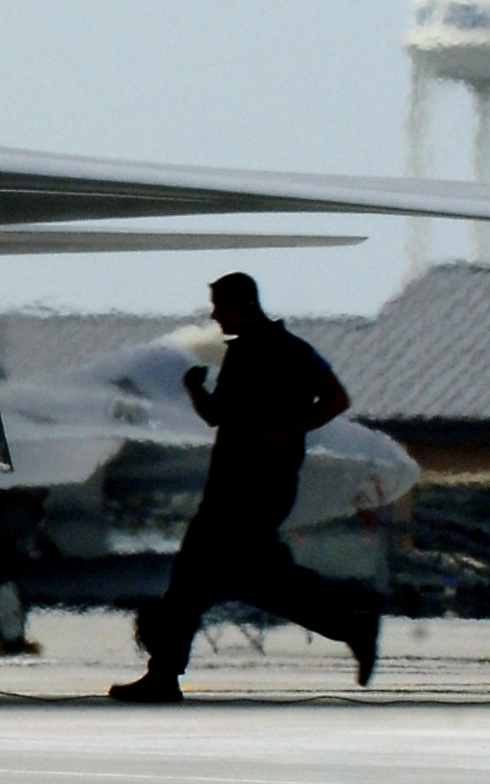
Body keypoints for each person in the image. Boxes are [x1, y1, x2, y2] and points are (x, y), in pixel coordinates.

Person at [109, 272, 382, 702]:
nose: (214, 315)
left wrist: (288, 431)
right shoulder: (238, 354)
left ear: (242, 305)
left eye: (219, 306)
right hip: (229, 485)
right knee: (227, 578)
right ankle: (351, 620)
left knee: (214, 577)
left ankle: (352, 619)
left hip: (261, 487)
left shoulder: (291, 351)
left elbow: (336, 399)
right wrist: (195, 390)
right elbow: (219, 415)